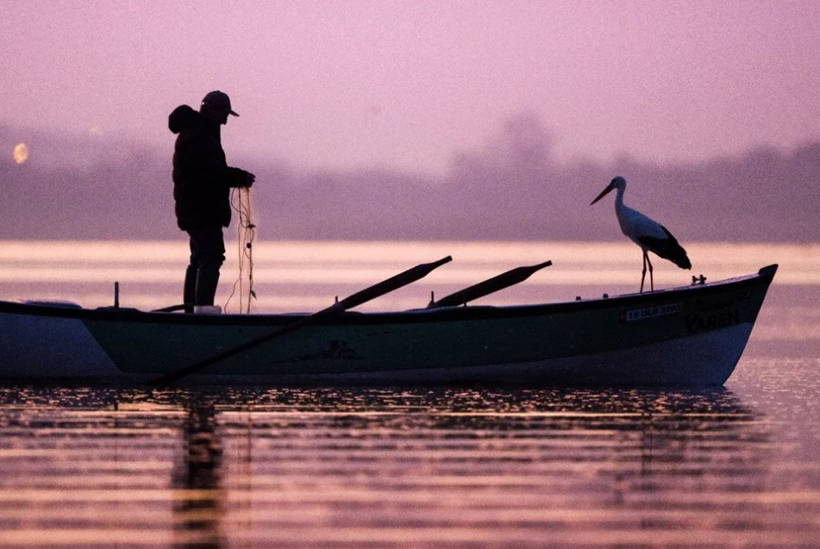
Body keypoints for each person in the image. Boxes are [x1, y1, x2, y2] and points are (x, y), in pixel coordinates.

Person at [169, 91, 256, 313]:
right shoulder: (197, 136)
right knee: (211, 255)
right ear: (209, 109)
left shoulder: (200, 134)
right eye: (223, 114)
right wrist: (239, 177)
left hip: (197, 210)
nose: (225, 120)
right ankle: (201, 311)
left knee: (199, 257)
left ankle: (193, 310)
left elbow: (211, 171)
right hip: (200, 210)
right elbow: (210, 172)